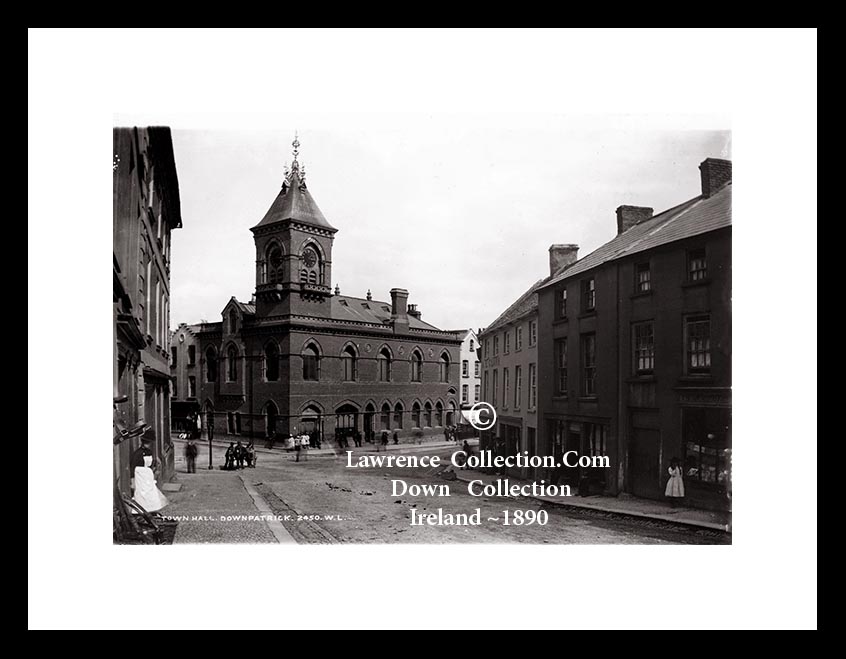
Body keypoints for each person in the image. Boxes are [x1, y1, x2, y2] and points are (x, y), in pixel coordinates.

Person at [130, 432, 168, 512]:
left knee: (150, 492)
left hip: (148, 475)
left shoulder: (149, 452)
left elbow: (150, 465)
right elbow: (132, 467)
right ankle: (141, 510)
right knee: (141, 493)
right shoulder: (137, 454)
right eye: (147, 443)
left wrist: (155, 469)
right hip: (139, 476)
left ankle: (151, 509)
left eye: (149, 443)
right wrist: (132, 480)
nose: (148, 444)